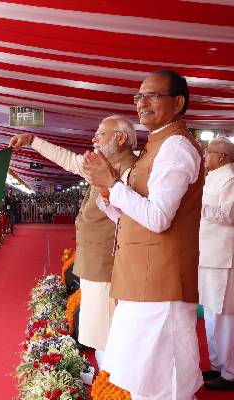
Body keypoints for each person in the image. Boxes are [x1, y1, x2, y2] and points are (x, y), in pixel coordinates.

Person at [82, 70, 204, 400]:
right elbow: (130, 216)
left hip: (159, 284)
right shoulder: (156, 147)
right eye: (138, 96)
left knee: (161, 384)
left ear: (177, 103)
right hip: (141, 280)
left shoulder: (176, 148)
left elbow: (159, 217)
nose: (142, 103)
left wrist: (112, 184)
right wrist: (106, 191)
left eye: (152, 96)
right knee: (141, 380)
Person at [9, 115, 138, 367]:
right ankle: (109, 380)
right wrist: (32, 140)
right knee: (99, 329)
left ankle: (114, 384)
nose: (94, 139)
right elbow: (68, 159)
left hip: (108, 263)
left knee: (107, 330)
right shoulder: (105, 165)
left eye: (101, 133)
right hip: (94, 260)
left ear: (121, 138)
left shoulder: (130, 170)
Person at [198, 137, 234, 391]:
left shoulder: (230, 178)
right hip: (207, 255)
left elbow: (229, 215)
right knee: (210, 314)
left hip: (223, 258)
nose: (204, 155)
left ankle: (231, 372)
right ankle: (217, 365)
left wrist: (197, 207)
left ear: (222, 156)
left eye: (208, 152)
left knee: (224, 317)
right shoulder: (211, 176)